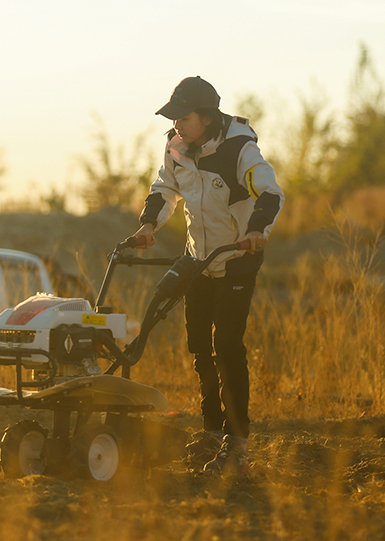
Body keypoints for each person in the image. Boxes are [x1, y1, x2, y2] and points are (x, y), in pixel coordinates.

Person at [133, 76, 284, 475]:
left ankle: (238, 448)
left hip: (236, 257)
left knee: (228, 346)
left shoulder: (239, 149)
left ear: (206, 116)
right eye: (174, 118)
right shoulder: (176, 147)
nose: (177, 124)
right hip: (199, 257)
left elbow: (270, 193)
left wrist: (256, 232)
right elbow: (164, 188)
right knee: (200, 346)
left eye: (183, 117)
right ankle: (212, 434)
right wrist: (149, 225)